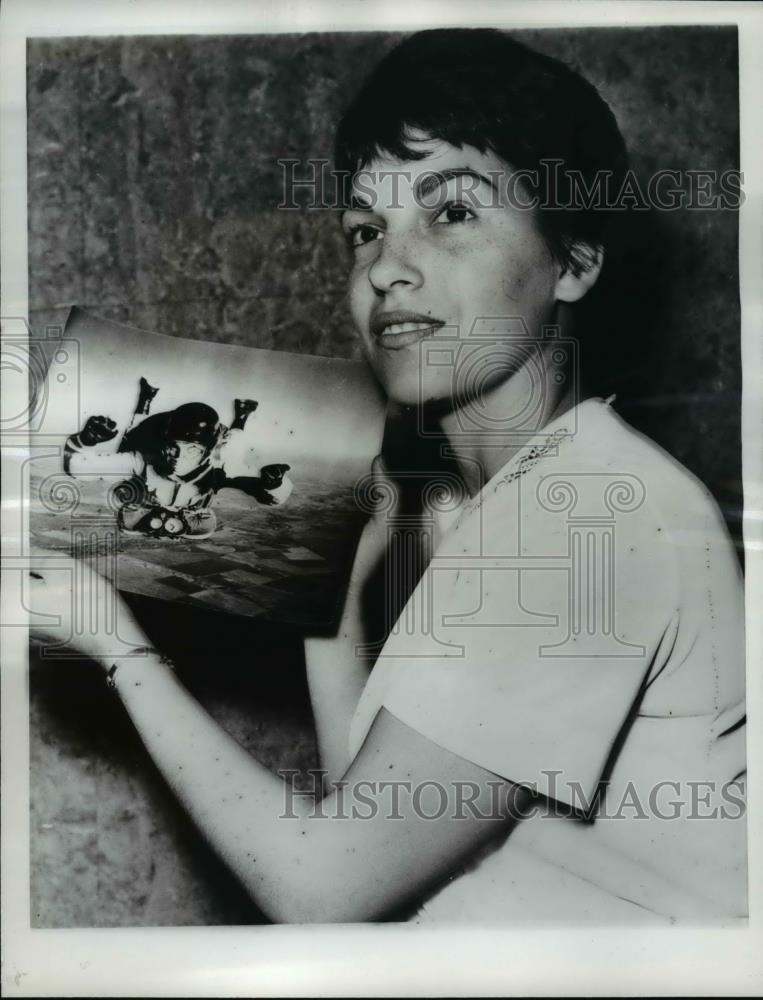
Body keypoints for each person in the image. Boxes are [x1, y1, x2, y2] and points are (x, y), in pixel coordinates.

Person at [29, 28, 746, 924]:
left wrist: (119, 648)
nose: (386, 270)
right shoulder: (529, 494)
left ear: (572, 261)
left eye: (451, 213)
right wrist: (334, 594)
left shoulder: (584, 513)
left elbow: (323, 887)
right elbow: (371, 826)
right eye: (365, 229)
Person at [63, 377, 293, 539]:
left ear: (206, 451)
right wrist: (86, 440)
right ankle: (146, 400)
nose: (180, 455)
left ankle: (241, 418)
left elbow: (270, 497)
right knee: (132, 439)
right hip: (170, 513)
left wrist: (274, 485)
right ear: (166, 442)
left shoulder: (217, 468)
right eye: (175, 446)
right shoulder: (143, 460)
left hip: (188, 513)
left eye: (192, 449)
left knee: (232, 453)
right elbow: (79, 468)